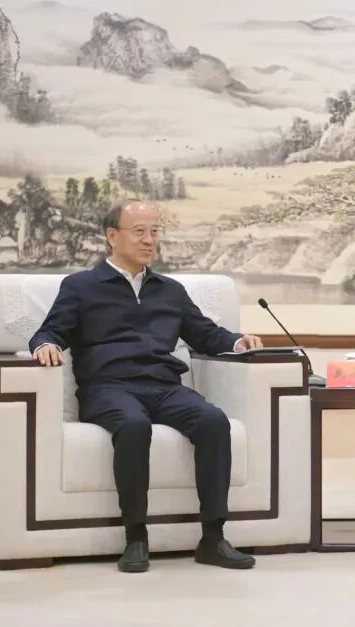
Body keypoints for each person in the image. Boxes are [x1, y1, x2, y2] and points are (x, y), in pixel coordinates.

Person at [29, 199, 264, 573]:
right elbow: (51, 330)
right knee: (134, 426)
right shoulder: (81, 286)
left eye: (155, 232)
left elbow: (205, 334)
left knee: (213, 421)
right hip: (107, 388)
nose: (149, 240)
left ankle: (213, 539)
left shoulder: (170, 290)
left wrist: (238, 341)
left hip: (163, 386)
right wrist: (45, 345)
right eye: (139, 231)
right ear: (112, 236)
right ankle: (136, 538)